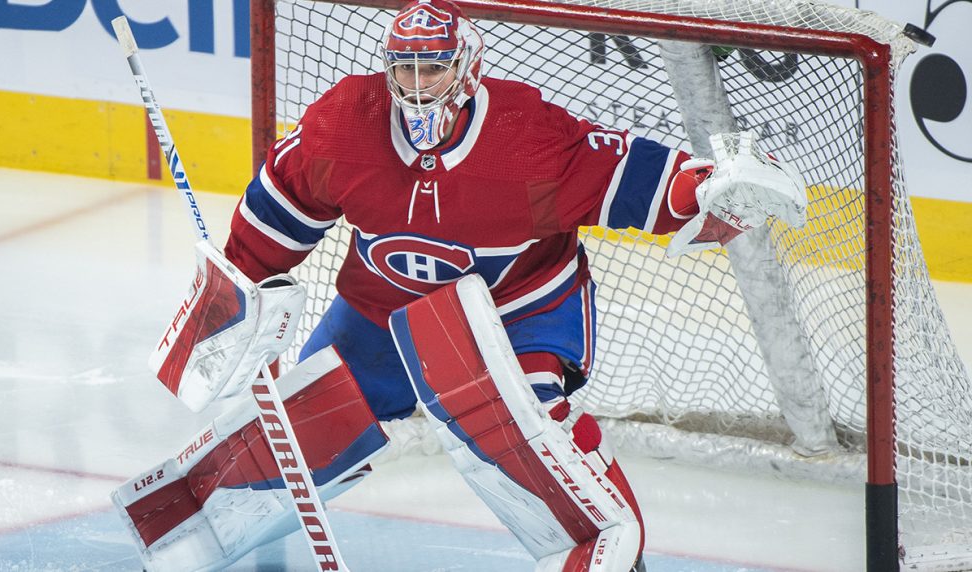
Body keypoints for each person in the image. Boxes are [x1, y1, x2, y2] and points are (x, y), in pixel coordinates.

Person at [112, 0, 807, 570]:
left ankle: (604, 554)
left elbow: (628, 176)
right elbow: (275, 215)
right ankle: (186, 523)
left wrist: (704, 191)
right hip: (381, 308)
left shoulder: (525, 139)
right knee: (307, 426)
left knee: (526, 420)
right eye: (405, 68)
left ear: (466, 69)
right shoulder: (345, 126)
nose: (417, 84)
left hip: (517, 309)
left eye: (433, 67)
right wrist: (238, 297)